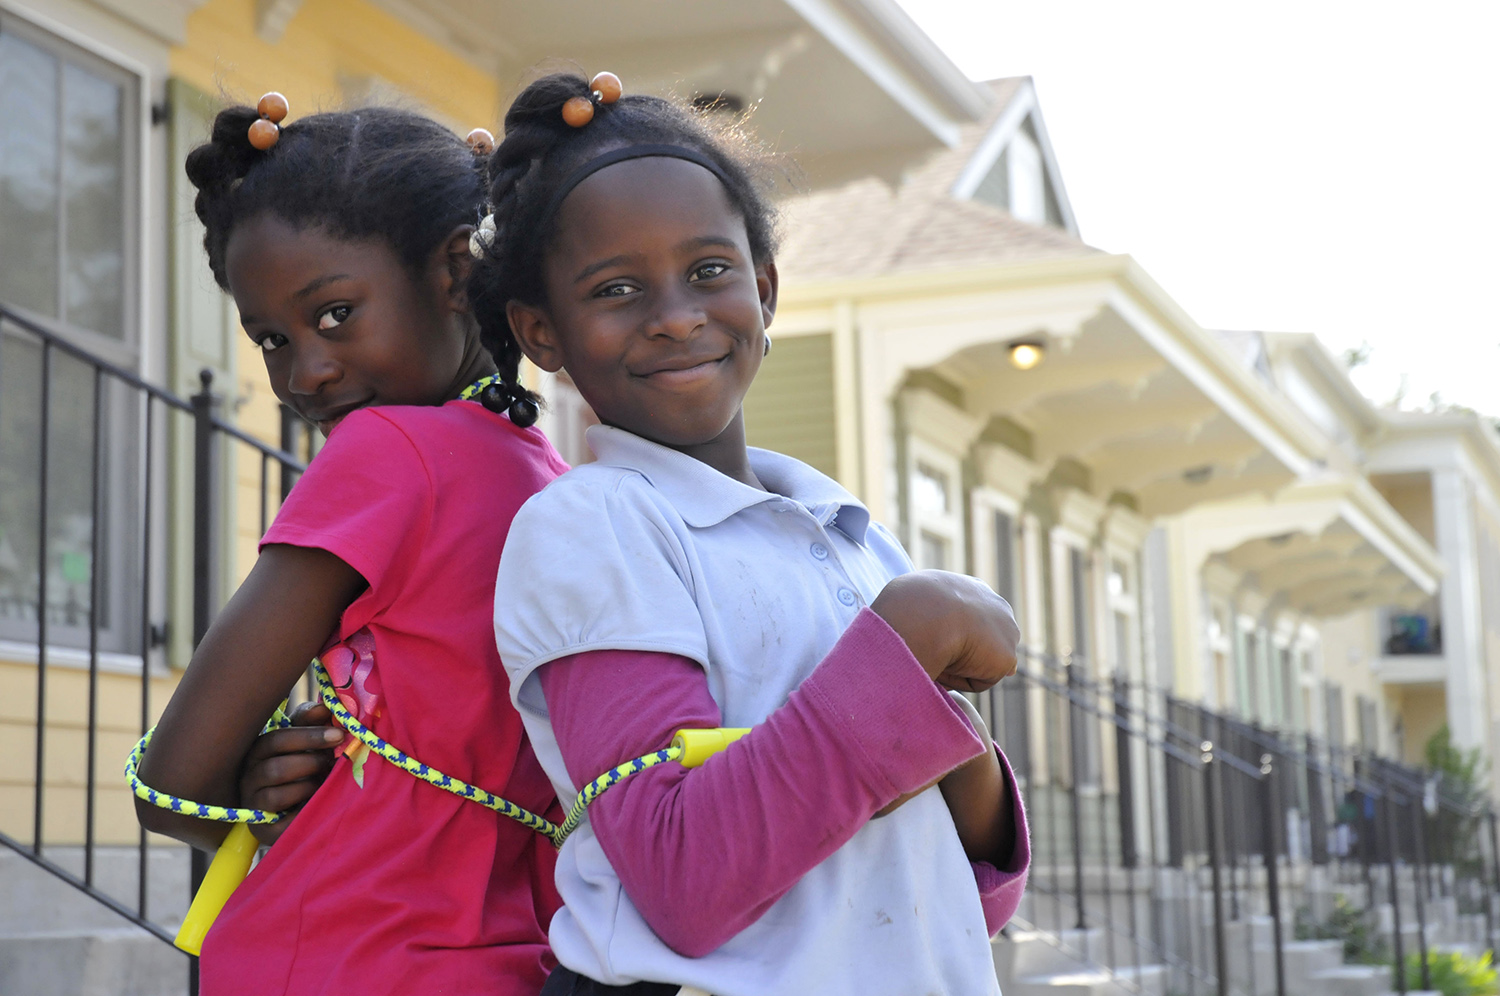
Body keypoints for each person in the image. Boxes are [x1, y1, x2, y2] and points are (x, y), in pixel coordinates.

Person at [474, 73, 1031, 996]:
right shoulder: (593, 524)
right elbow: (684, 881)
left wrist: (961, 750)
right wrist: (913, 640)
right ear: (542, 332)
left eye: (708, 272)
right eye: (616, 288)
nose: (678, 314)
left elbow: (954, 901)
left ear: (765, 290)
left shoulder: (845, 531)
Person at [134, 99, 568, 996]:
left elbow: (172, 782)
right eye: (271, 339)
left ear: (456, 271)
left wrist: (251, 790)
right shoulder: (558, 485)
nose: (304, 374)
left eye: (334, 313)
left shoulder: (386, 453)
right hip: (519, 957)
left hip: (338, 952)